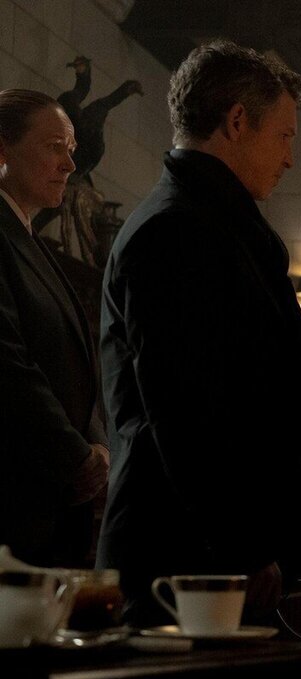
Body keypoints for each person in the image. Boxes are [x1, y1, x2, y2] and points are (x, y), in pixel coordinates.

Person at [98, 42, 301, 626]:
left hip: (216, 557)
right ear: (237, 120)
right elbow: (185, 411)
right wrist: (245, 546)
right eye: (284, 136)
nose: (290, 158)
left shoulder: (220, 228)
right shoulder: (175, 230)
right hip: (186, 562)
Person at [0, 89, 108, 566]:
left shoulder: (32, 241)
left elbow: (76, 364)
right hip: (16, 504)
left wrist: (97, 443)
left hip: (54, 503)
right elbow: (7, 362)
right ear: (2, 149)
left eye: (72, 149)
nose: (69, 164)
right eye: (53, 147)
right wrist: (76, 456)